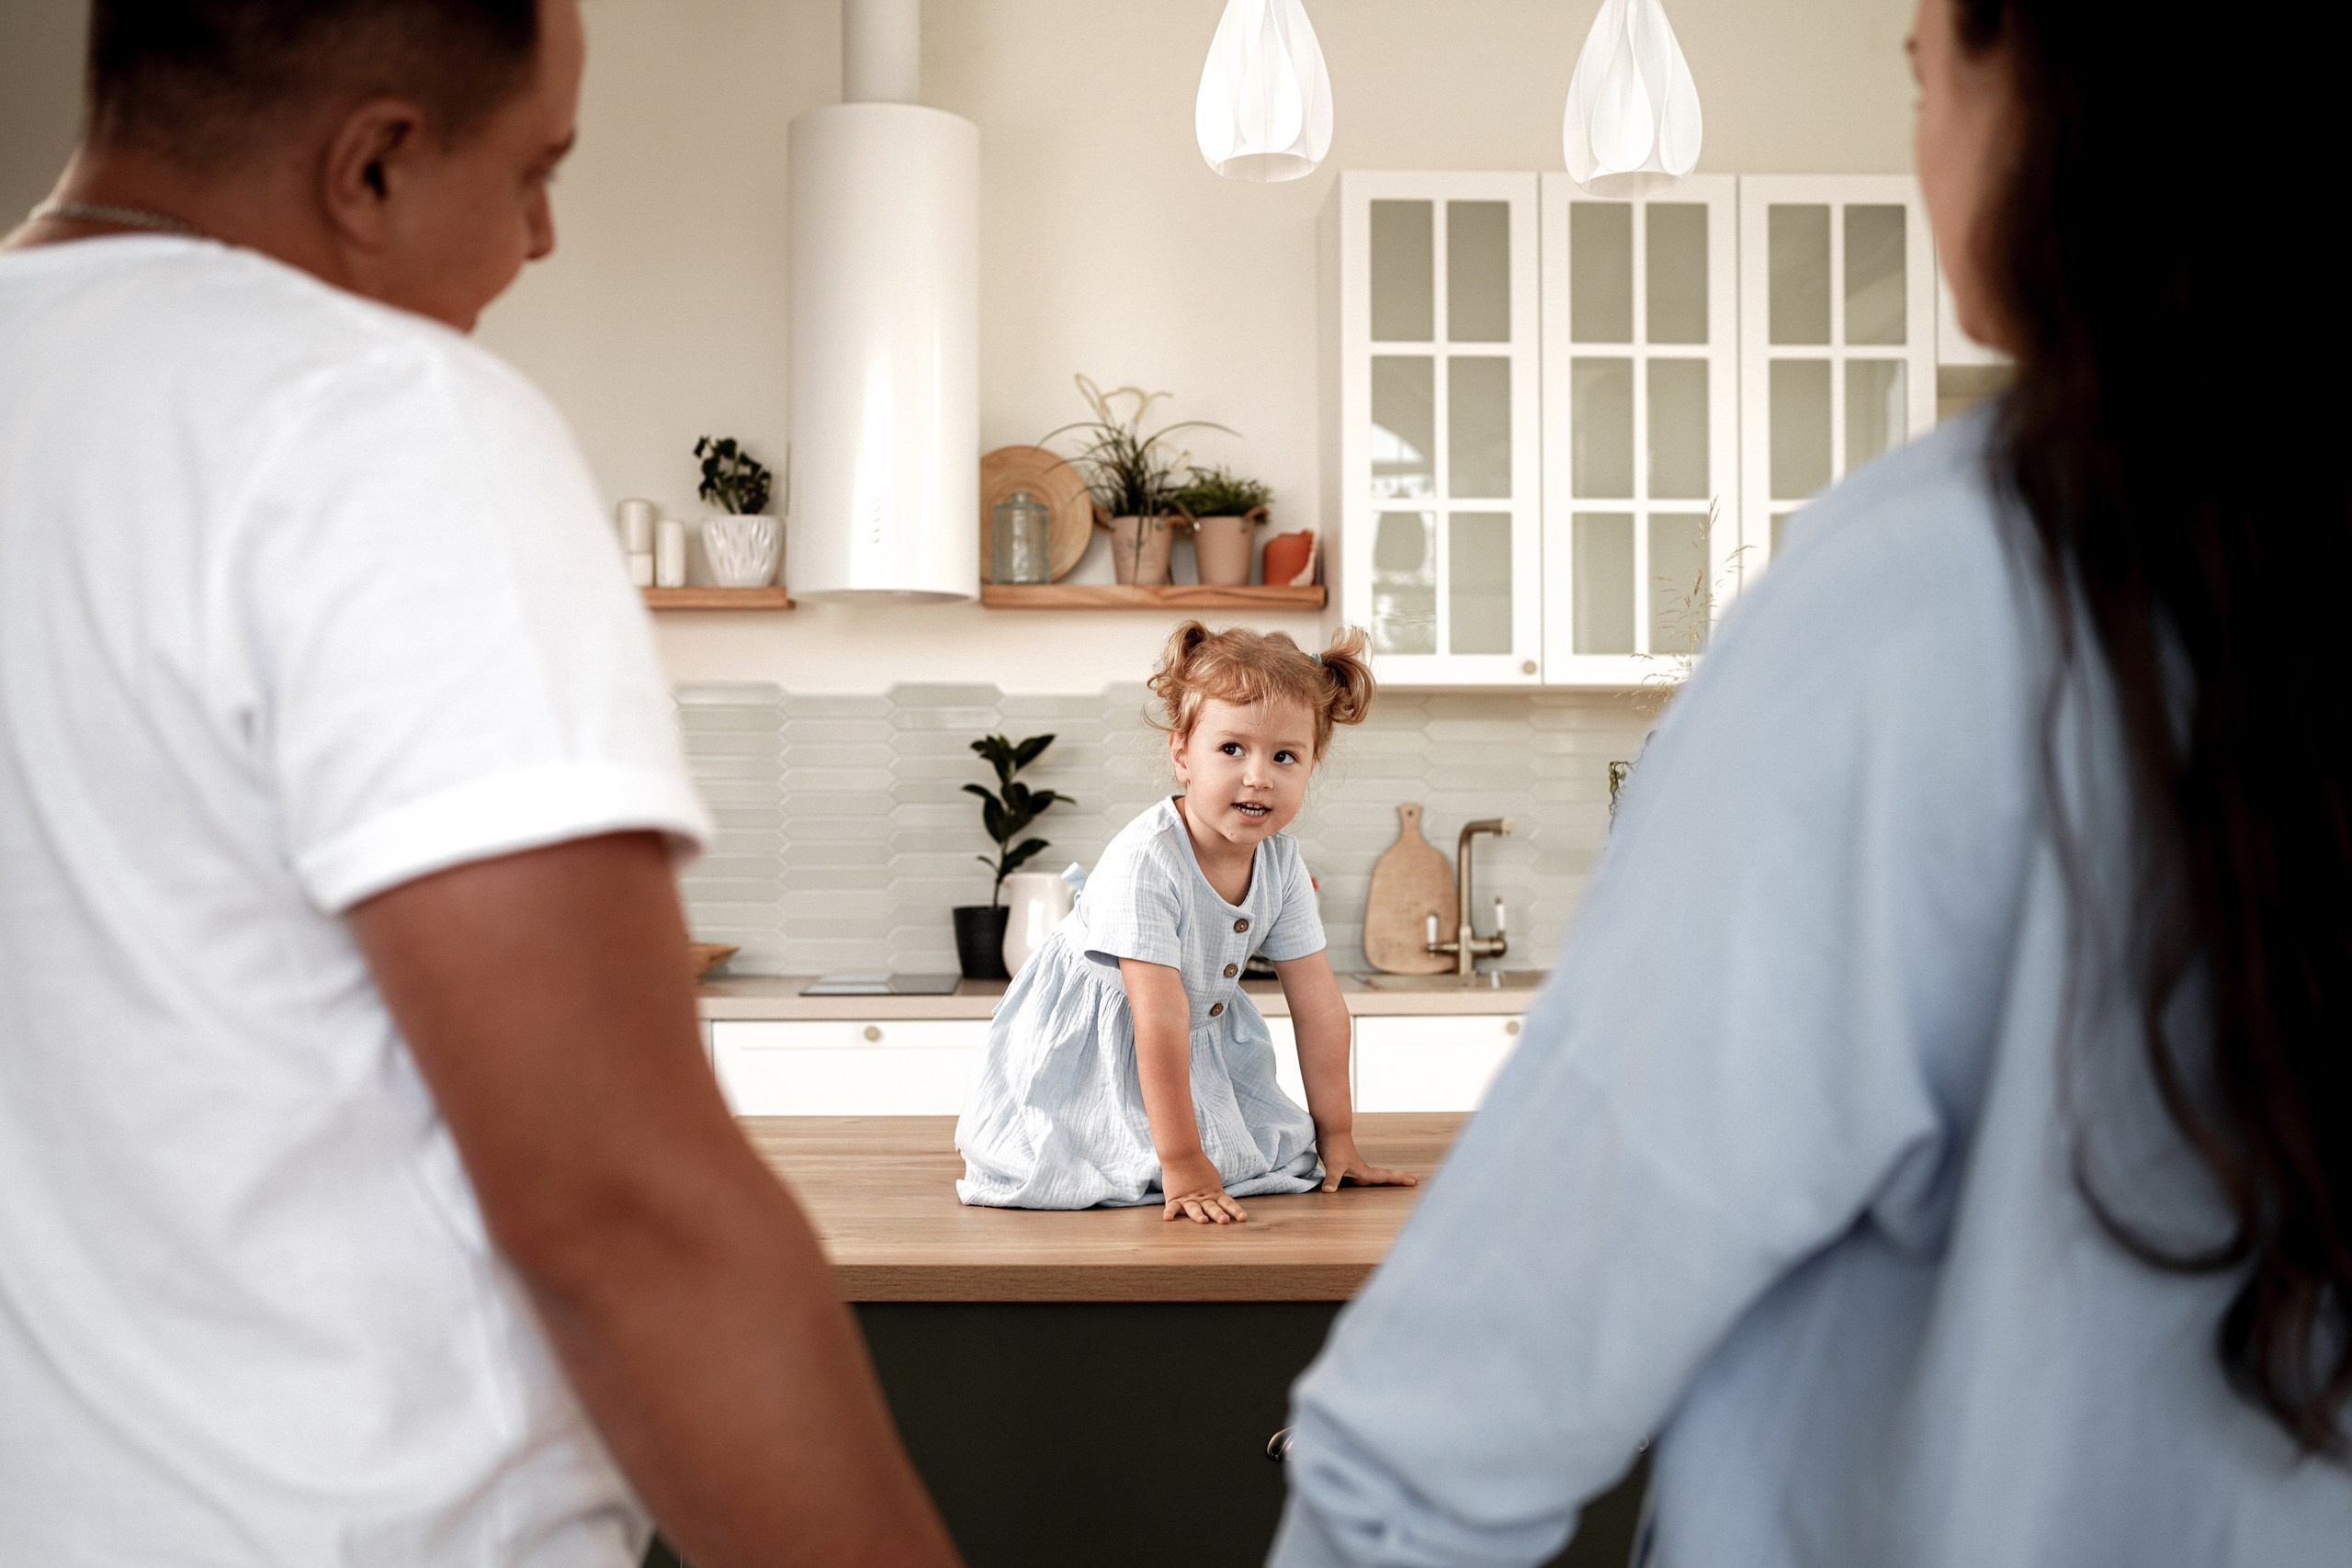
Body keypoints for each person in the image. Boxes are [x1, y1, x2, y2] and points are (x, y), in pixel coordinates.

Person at [1270, 1, 2351, 1564]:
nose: (1921, 141)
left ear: (2053, 93)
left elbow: (1430, 1453)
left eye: (1924, 72)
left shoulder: (1935, 593)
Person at [0, 3, 957, 1564]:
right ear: (371, 165)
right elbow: (621, 1211)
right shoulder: (370, 417)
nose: (543, 233)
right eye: (535, 169)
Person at [956, 624, 1418, 1223]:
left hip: (1187, 1037)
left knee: (1272, 1158)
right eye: (1232, 749)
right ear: (1182, 755)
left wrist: (1338, 1136)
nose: (1258, 775)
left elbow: (1320, 1006)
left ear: (1311, 764)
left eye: (1284, 755)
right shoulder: (1146, 859)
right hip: (1099, 1040)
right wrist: (1181, 1159)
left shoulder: (1281, 862)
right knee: (1086, 1166)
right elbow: (1156, 1014)